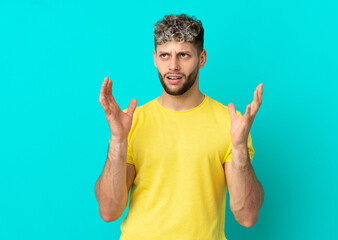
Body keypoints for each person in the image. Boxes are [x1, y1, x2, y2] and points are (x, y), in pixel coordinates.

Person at [95, 13, 264, 240]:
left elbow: (248, 216)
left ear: (201, 58)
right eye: (165, 55)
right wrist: (117, 139)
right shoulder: (131, 123)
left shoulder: (231, 123)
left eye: (183, 55)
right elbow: (109, 211)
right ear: (155, 57)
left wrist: (240, 147)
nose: (173, 66)